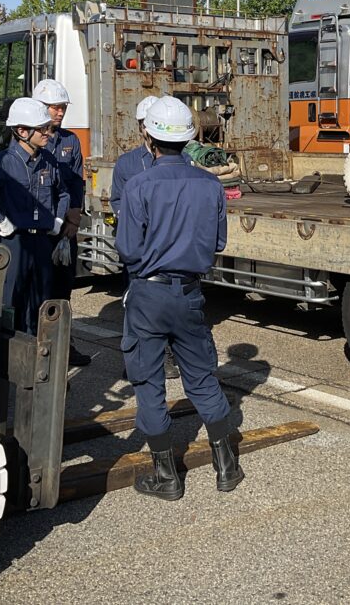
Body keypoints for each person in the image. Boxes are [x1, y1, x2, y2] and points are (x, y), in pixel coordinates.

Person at [116, 95, 244, 500]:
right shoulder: (210, 184)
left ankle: (167, 477)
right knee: (203, 379)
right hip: (190, 293)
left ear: (150, 139)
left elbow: (128, 251)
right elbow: (219, 241)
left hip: (148, 295)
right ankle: (227, 466)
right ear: (187, 139)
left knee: (149, 382)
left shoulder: (137, 185)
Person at [0, 97, 69, 336]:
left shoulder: (49, 161)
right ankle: (6, 361)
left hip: (42, 243)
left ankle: (35, 356)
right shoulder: (2, 163)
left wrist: (58, 220)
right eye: (42, 129)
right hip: (15, 243)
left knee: (41, 305)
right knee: (10, 303)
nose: (48, 133)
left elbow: (63, 193)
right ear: (22, 131)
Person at [111, 94, 179, 379]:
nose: (147, 130)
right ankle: (136, 359)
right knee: (135, 302)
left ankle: (168, 354)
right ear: (140, 127)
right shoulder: (127, 164)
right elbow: (116, 201)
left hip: (169, 246)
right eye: (143, 124)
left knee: (171, 301)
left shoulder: (180, 161)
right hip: (140, 245)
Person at [33, 78, 91, 367]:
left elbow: (76, 182)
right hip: (38, 230)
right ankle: (38, 346)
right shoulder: (29, 140)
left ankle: (64, 345)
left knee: (63, 290)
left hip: (64, 227)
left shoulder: (70, 141)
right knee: (37, 291)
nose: (59, 113)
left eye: (62, 108)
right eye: (55, 107)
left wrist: (74, 218)